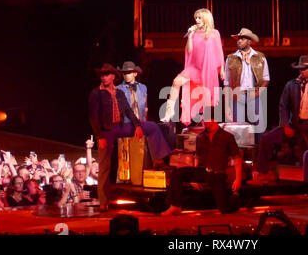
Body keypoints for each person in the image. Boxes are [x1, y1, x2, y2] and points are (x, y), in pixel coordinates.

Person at [88, 63, 170, 211]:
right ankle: (103, 201)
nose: (104, 77)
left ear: (113, 77)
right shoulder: (96, 93)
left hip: (120, 127)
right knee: (105, 166)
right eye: (102, 74)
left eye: (107, 74)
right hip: (106, 131)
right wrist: (99, 137)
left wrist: (137, 126)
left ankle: (159, 158)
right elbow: (93, 117)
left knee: (151, 126)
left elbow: (128, 110)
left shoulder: (119, 93)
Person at [252, 55, 308, 188]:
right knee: (266, 139)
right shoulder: (291, 85)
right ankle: (262, 172)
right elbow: (283, 105)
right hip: (295, 123)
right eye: (300, 69)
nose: (302, 71)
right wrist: (285, 124)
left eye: (305, 69)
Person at [162, 115, 242, 215]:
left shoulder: (227, 137)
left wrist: (238, 179)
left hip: (218, 175)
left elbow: (237, 159)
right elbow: (197, 157)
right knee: (177, 173)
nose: (205, 122)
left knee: (224, 209)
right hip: (204, 172)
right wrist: (194, 180)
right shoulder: (201, 137)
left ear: (214, 120)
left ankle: (236, 197)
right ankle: (175, 206)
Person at [160, 8, 225, 125]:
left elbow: (219, 52)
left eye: (199, 17)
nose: (197, 20)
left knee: (205, 96)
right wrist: (190, 36)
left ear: (206, 18)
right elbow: (189, 51)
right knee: (176, 81)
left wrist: (222, 69)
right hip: (194, 68)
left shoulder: (214, 33)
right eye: (196, 18)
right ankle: (169, 112)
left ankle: (206, 123)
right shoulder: (194, 33)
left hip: (207, 68)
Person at [117, 61, 172, 166]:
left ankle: (158, 160)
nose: (126, 75)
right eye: (124, 73)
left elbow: (145, 106)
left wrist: (144, 121)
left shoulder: (143, 87)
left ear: (135, 74)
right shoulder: (119, 89)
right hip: (128, 123)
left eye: (129, 72)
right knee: (153, 127)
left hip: (140, 121)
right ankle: (160, 159)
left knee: (158, 127)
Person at [224, 28, 269, 126]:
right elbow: (226, 83)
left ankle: (258, 142)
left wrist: (257, 93)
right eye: (238, 39)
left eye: (243, 39)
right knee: (238, 127)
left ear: (249, 41)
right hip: (237, 94)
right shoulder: (231, 58)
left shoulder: (260, 57)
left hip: (253, 94)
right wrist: (227, 105)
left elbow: (266, 78)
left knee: (258, 125)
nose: (239, 41)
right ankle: (239, 142)